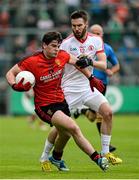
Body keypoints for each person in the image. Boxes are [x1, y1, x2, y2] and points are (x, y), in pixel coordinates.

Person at [6, 31, 109, 172]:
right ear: (44, 45)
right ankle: (98, 158)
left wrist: (91, 78)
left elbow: (78, 63)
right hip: (44, 105)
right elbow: (10, 73)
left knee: (65, 133)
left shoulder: (62, 55)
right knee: (73, 128)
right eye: (54, 46)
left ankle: (54, 157)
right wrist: (14, 85)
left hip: (61, 100)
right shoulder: (31, 60)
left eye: (58, 46)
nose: (57, 49)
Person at [39, 11, 122, 172]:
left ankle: (105, 153)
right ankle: (45, 156)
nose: (76, 29)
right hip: (69, 90)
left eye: (79, 25)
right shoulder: (65, 44)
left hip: (87, 88)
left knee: (108, 112)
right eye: (73, 26)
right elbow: (57, 66)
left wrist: (90, 61)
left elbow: (104, 65)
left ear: (86, 24)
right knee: (59, 128)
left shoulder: (96, 40)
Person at [73, 24, 120, 152]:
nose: (96, 35)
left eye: (98, 33)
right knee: (102, 114)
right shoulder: (87, 47)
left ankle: (80, 111)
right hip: (90, 82)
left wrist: (112, 71)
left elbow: (116, 65)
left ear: (102, 34)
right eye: (93, 32)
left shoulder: (107, 49)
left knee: (93, 117)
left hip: (102, 83)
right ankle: (106, 147)